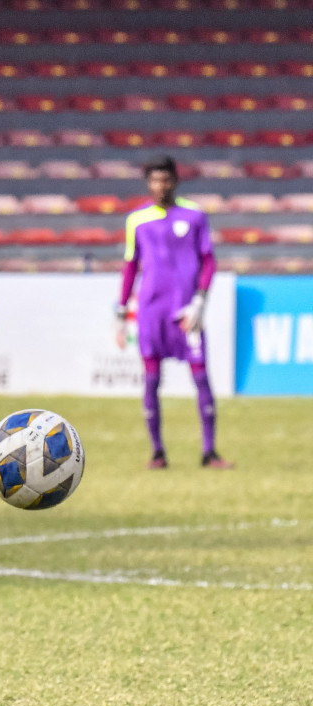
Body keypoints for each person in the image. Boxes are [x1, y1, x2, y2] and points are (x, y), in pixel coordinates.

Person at [117, 155, 232, 470]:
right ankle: (157, 452)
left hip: (186, 312)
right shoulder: (136, 220)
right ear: (148, 184)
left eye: (165, 179)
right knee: (151, 379)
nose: (160, 186)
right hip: (151, 312)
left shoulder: (194, 215)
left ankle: (209, 452)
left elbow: (208, 260)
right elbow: (130, 266)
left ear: (175, 182)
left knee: (200, 377)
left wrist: (199, 301)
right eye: (154, 180)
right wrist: (121, 308)